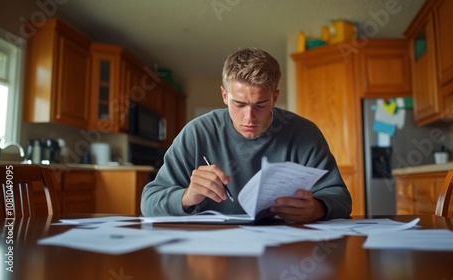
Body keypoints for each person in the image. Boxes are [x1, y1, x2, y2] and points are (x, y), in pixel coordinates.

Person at [141, 47, 352, 223]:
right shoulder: (197, 133)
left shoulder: (304, 133)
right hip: (213, 250)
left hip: (284, 248)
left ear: (275, 98)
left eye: (260, 105)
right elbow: (149, 202)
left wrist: (319, 208)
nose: (249, 117)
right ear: (225, 95)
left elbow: (340, 197)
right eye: (239, 104)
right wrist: (186, 197)